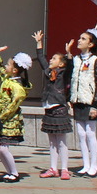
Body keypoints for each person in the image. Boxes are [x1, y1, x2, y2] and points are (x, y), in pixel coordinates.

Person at [33, 31, 73, 180]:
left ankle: (64, 169)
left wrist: (68, 53)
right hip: (49, 110)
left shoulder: (63, 73)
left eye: (55, 58)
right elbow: (41, 59)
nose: (51, 60)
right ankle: (53, 168)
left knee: (61, 141)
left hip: (60, 109)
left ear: (61, 64)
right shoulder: (49, 73)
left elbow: (70, 67)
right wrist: (39, 43)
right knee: (52, 142)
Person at [68, 29, 97, 179]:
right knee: (81, 134)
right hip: (77, 100)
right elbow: (71, 80)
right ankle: (85, 164)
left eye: (83, 39)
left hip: (89, 101)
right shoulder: (76, 59)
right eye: (79, 38)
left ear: (90, 44)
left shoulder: (95, 60)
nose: (79, 40)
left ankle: (93, 166)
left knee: (90, 133)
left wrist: (95, 105)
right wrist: (70, 98)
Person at [0, 47, 31, 183]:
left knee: (2, 147)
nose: (6, 67)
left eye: (8, 65)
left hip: (9, 121)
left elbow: (13, 106)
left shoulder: (17, 87)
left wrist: (1, 117)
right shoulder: (7, 79)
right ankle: (9, 172)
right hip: (1, 120)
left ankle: (14, 172)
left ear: (15, 70)